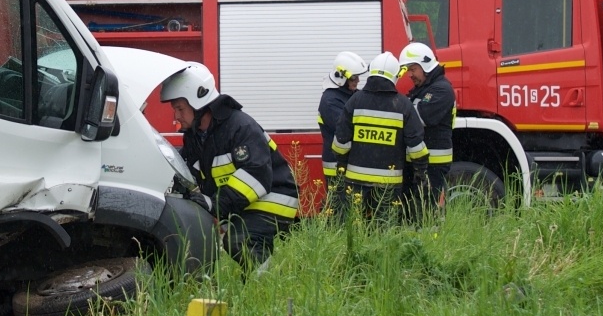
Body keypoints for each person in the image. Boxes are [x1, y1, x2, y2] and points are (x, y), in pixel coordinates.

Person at [159, 61, 300, 262]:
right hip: (242, 202)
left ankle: (264, 285)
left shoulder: (240, 127)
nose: (176, 116)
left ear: (198, 101)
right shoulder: (196, 136)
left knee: (239, 240)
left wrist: (215, 204)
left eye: (180, 108)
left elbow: (256, 175)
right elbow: (188, 171)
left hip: (272, 198)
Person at [331, 52, 428, 219]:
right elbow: (416, 147)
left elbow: (340, 142)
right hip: (388, 185)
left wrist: (343, 163)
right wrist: (420, 172)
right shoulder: (403, 105)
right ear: (394, 76)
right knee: (384, 231)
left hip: (355, 182)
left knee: (353, 231)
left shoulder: (355, 101)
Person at [399, 41, 455, 214]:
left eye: (413, 69)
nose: (410, 74)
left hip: (433, 163)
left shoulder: (441, 90)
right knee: (415, 210)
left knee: (428, 211)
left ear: (425, 65)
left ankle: (431, 238)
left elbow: (417, 118)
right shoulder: (425, 88)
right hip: (421, 162)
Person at [317, 51, 368, 194]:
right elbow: (346, 128)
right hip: (336, 165)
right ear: (341, 77)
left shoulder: (351, 95)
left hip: (348, 162)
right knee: (339, 206)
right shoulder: (330, 100)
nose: (357, 81)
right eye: (353, 78)